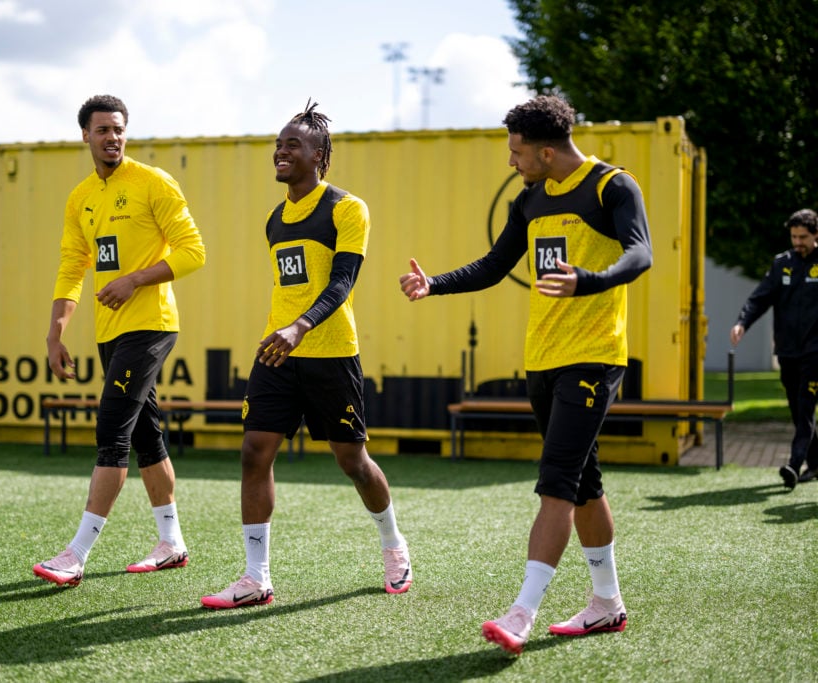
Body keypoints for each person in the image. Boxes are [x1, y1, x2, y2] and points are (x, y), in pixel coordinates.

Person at [399, 95, 652, 655]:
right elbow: (494, 265)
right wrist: (433, 284)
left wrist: (590, 280)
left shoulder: (612, 187)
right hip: (541, 359)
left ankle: (522, 612)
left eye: (516, 152)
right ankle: (607, 604)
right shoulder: (530, 199)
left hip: (593, 357)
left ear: (544, 149)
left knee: (556, 481)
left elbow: (641, 254)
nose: (511, 162)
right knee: (584, 484)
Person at [200, 100, 412, 609]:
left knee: (353, 461)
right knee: (254, 452)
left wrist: (301, 326)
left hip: (330, 354)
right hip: (278, 351)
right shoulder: (274, 219)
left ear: (320, 156)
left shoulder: (346, 208)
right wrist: (286, 331)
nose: (280, 151)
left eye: (292, 144)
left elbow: (342, 283)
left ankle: (393, 544)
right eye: (278, 143)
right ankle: (256, 577)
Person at [33, 94, 207, 587]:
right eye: (103, 130)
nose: (113, 137)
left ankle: (76, 554)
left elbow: (195, 252)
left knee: (111, 430)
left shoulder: (153, 182)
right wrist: (55, 333)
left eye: (119, 129)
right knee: (147, 435)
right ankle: (171, 543)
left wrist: (135, 280)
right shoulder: (80, 196)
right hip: (109, 333)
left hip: (151, 326)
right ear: (85, 136)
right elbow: (72, 267)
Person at [730, 208, 818, 490]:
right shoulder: (783, 264)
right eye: (794, 236)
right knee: (797, 408)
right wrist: (742, 322)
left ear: (816, 234)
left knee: (805, 406)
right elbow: (760, 298)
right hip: (788, 351)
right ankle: (815, 462)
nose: (798, 242)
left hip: (815, 352)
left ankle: (794, 464)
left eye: (803, 237)